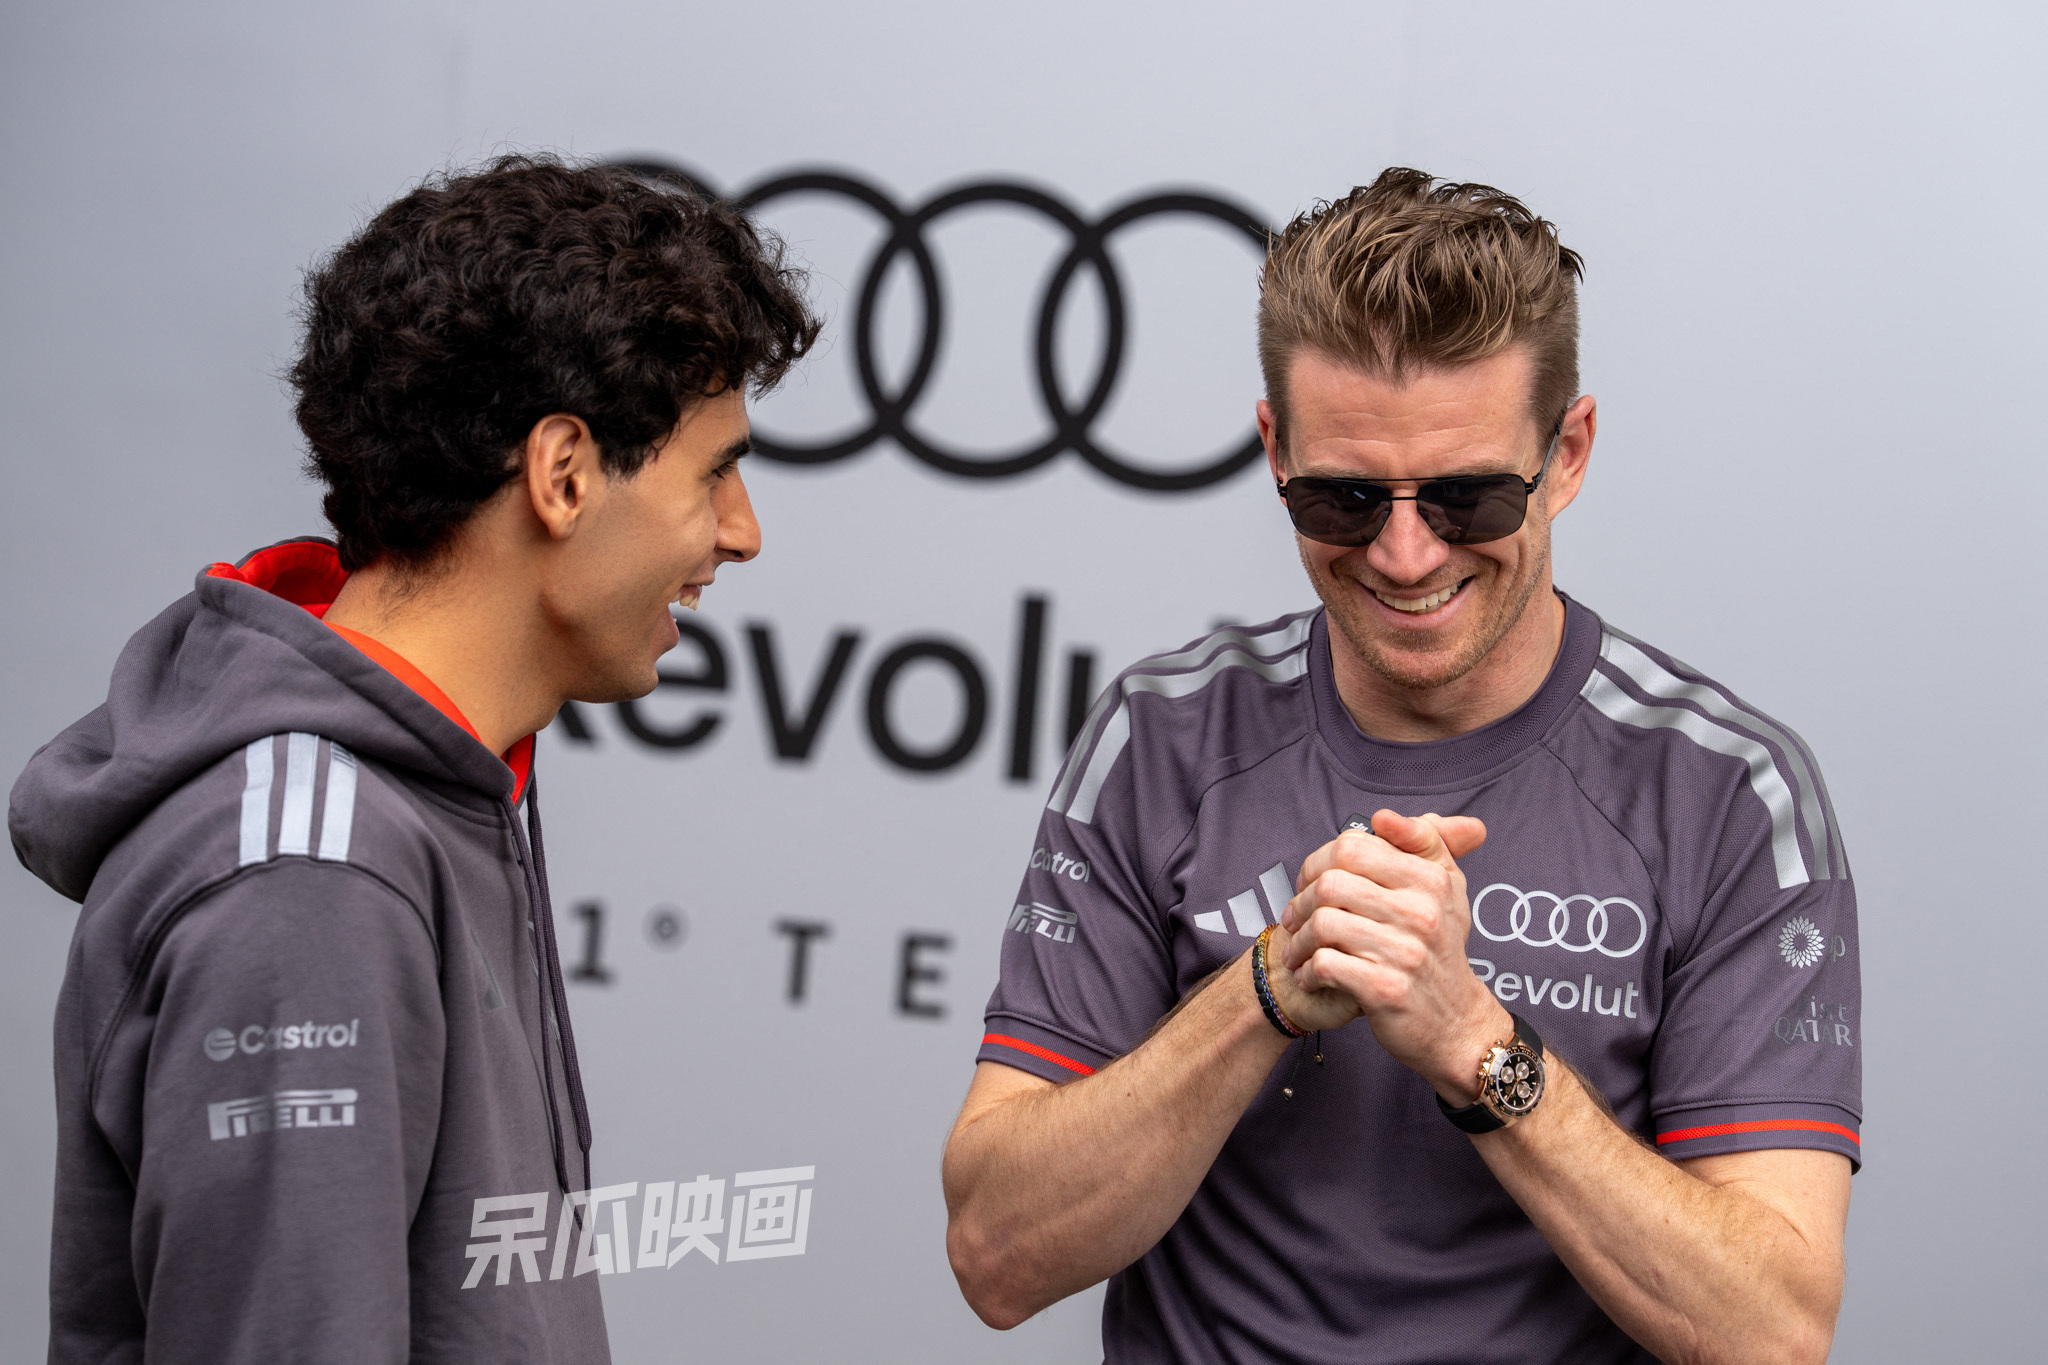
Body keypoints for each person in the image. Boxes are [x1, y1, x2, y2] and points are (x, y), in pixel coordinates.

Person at [942, 168, 1859, 1364]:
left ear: (1566, 454)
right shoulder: (1166, 736)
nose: (1405, 553)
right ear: (1273, 452)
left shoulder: (1723, 791)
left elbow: (1768, 1333)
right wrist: (1265, 987)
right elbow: (997, 1254)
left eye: (1466, 497)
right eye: (1343, 498)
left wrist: (1474, 1045)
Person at [11, 156, 815, 1364]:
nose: (741, 532)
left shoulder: (411, 804)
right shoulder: (311, 880)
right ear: (562, 473)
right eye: (714, 471)